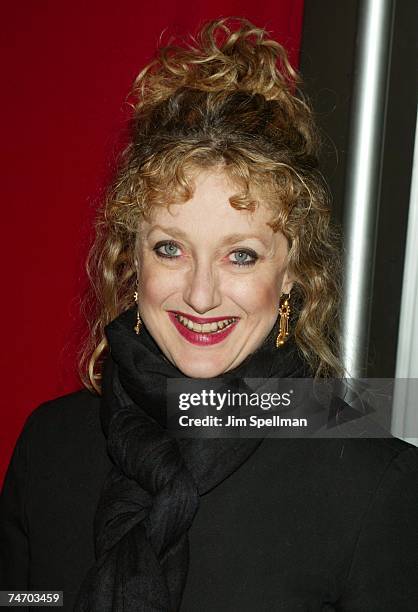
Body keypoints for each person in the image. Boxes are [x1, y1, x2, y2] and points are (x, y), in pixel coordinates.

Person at [1, 17, 418, 612]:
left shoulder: (377, 489)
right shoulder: (51, 448)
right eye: (169, 248)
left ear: (294, 274)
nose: (200, 295)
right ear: (131, 259)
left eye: (240, 256)